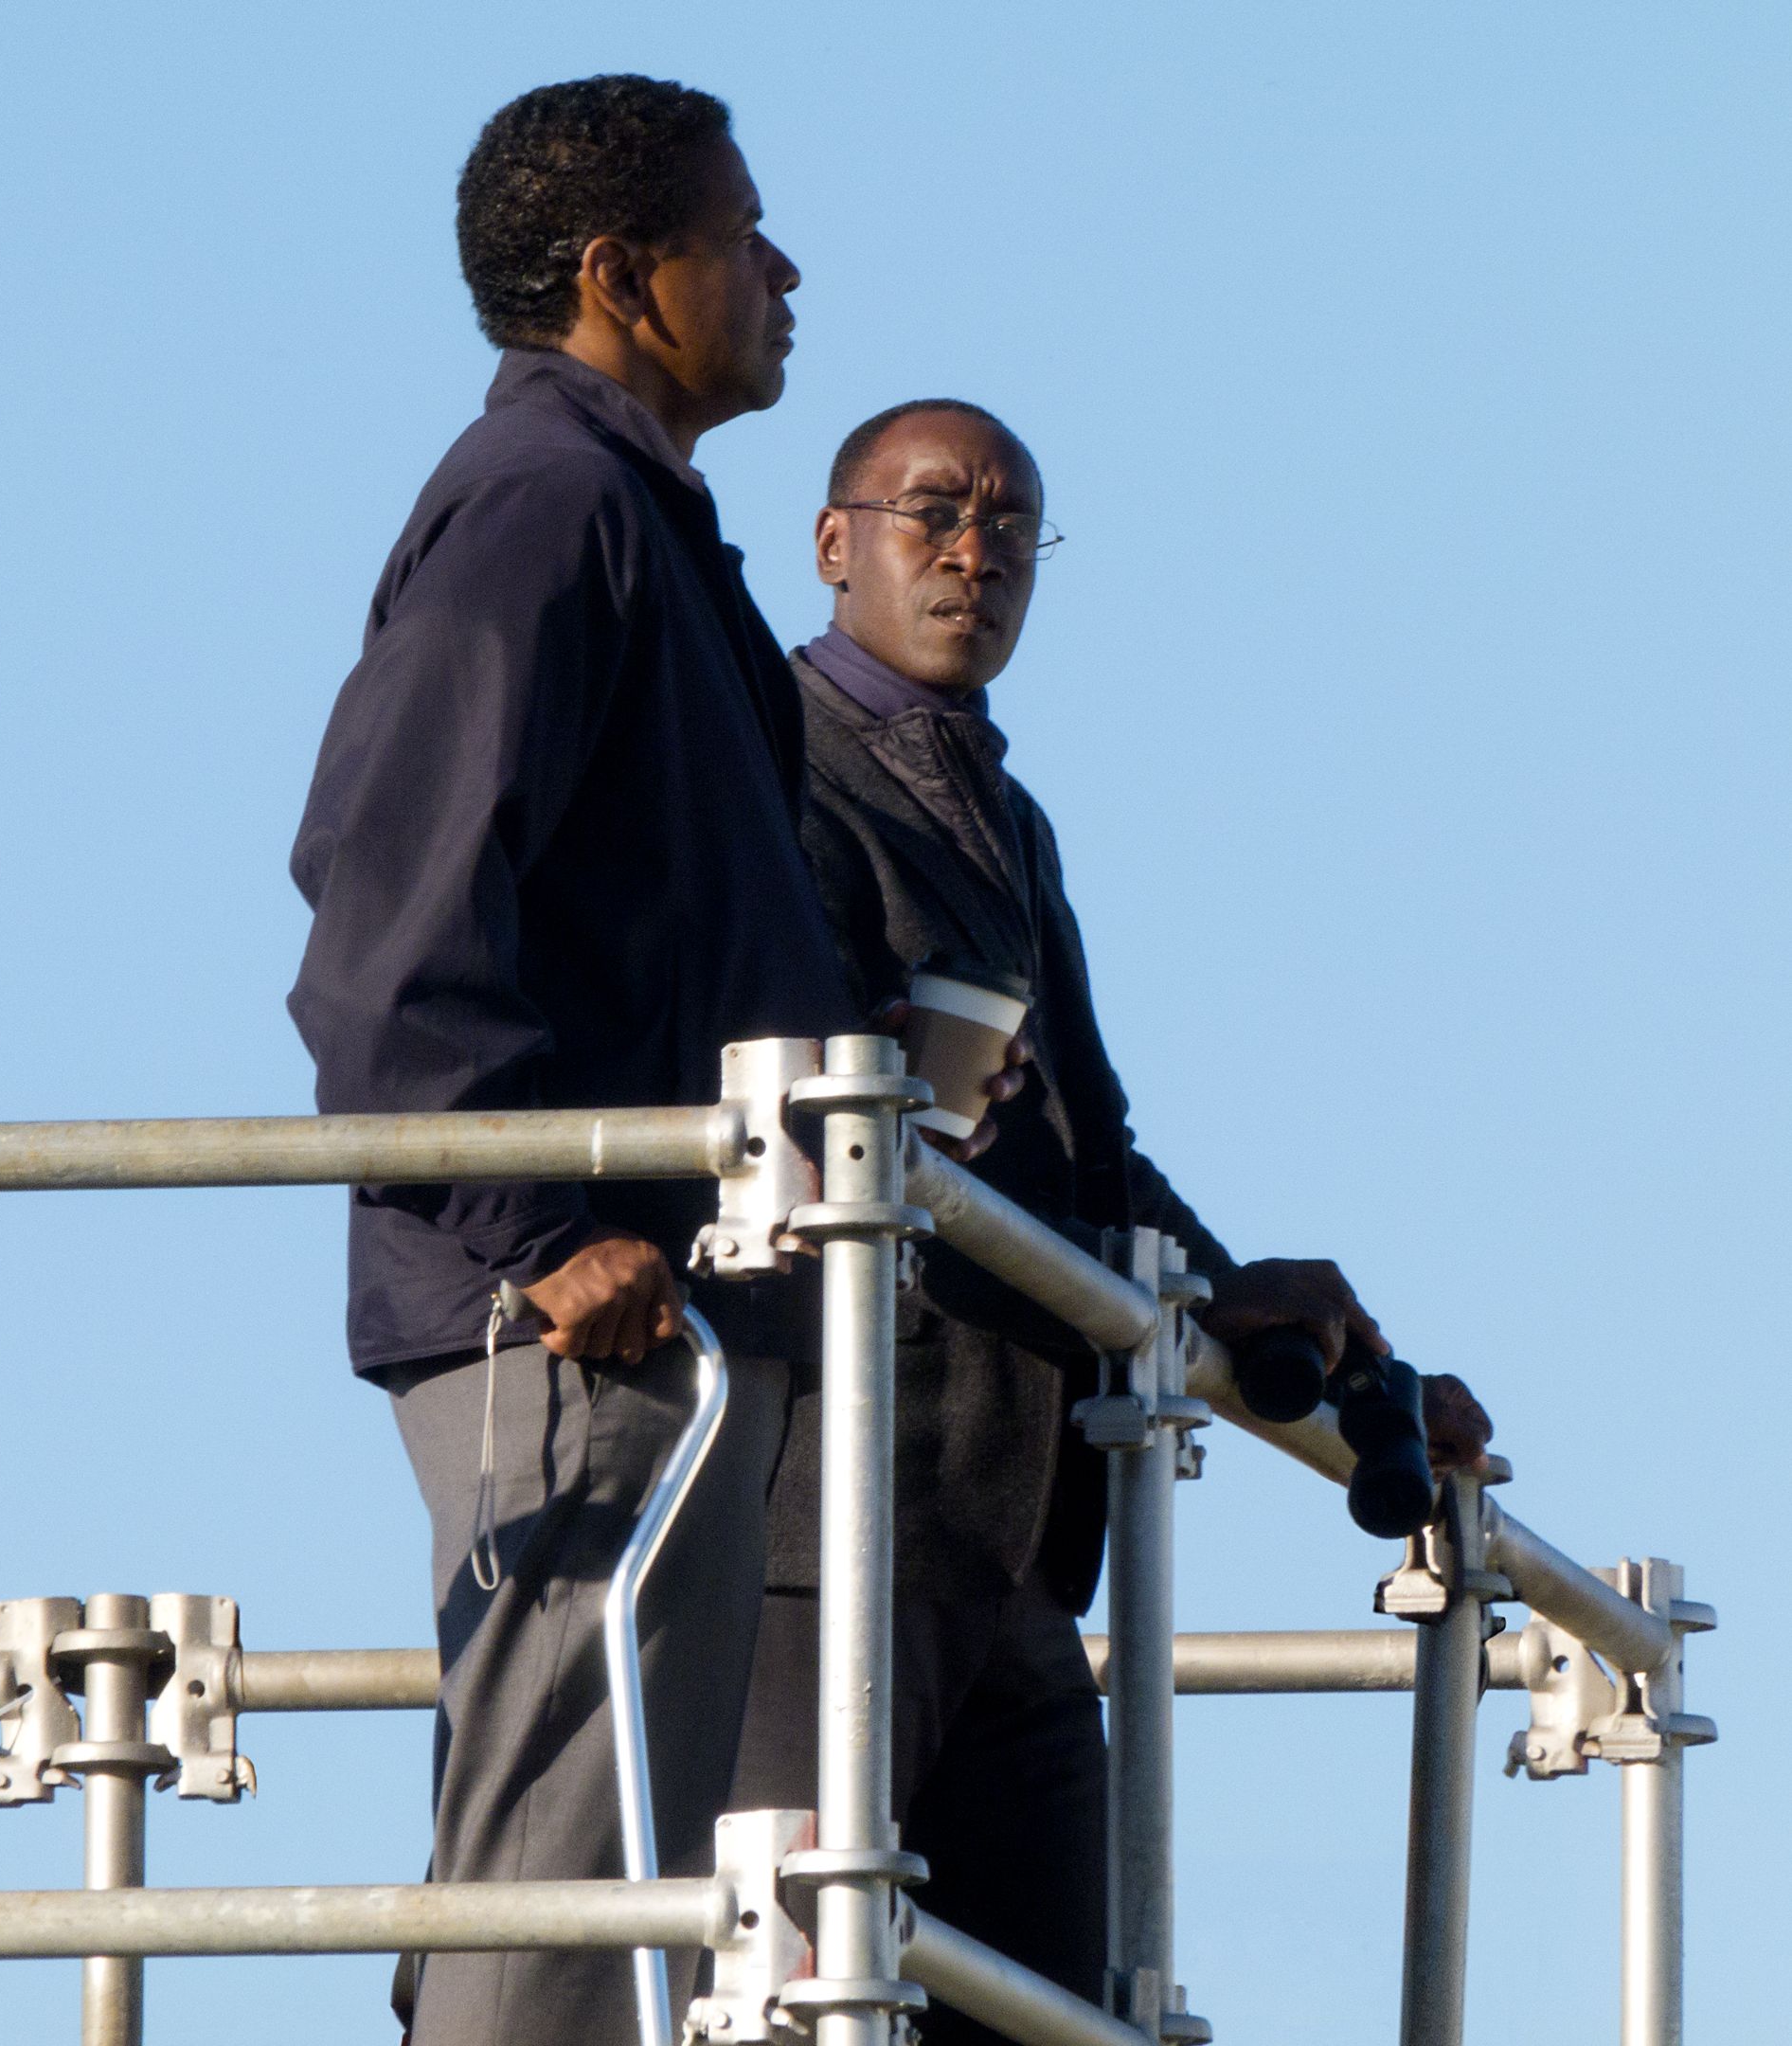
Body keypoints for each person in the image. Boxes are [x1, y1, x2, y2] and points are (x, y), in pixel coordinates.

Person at [729, 399, 1495, 2037]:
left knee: (1044, 2014)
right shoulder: (765, 765)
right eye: (935, 510)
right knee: (796, 1994)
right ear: (834, 542)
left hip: (1018, 1538)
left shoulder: (1006, 818)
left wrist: (1262, 1316)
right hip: (823, 1521)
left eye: (1013, 526)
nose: (974, 552)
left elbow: (1091, 1155)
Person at [286, 77, 860, 2046]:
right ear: (623, 276)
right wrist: (537, 1226)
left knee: (595, 1906)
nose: (784, 273)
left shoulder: (637, 521)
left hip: (656, 1317)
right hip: (583, 1325)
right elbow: (388, 905)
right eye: (742, 233)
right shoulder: (548, 504)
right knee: (559, 1908)